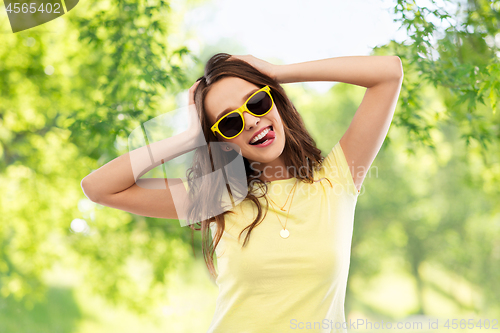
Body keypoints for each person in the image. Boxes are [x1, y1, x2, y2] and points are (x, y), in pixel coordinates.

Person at [81, 52, 404, 332]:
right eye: (229, 123)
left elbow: (388, 73)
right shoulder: (217, 197)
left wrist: (277, 73)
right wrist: (190, 136)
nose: (250, 120)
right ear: (221, 141)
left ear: (275, 99)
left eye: (257, 102)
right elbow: (98, 188)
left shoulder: (336, 179)